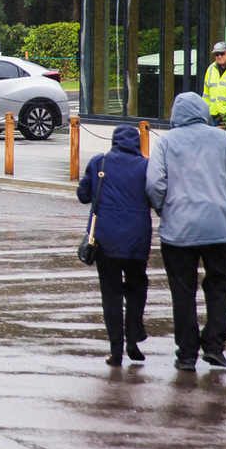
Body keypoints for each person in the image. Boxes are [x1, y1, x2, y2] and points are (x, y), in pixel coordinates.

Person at [145, 91, 226, 371]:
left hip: (177, 231)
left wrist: (163, 209)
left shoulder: (166, 142)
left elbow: (154, 183)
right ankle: (215, 346)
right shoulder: (222, 139)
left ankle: (186, 354)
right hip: (217, 228)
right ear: (204, 112)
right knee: (219, 286)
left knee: (182, 292)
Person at [78, 124, 155, 366]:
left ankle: (116, 350)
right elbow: (155, 196)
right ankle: (133, 339)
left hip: (106, 238)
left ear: (113, 142)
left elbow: (83, 195)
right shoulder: (146, 166)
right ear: (137, 143)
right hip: (137, 239)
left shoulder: (99, 163)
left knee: (110, 294)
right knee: (137, 287)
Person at [203, 40, 226, 129]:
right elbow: (206, 92)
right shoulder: (211, 69)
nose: (219, 56)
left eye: (222, 53)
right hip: (215, 116)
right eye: (216, 54)